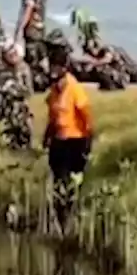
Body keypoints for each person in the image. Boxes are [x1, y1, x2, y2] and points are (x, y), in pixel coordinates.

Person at [43, 47, 93, 231]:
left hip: (75, 140)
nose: (53, 70)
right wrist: (47, 136)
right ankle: (60, 221)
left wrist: (88, 141)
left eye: (57, 67)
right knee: (58, 182)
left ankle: (71, 219)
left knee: (71, 183)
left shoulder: (75, 89)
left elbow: (87, 117)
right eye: (52, 66)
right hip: (58, 140)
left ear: (65, 67)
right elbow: (53, 116)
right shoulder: (54, 90)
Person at [0, 40, 34, 149]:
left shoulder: (24, 68)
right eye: (9, 54)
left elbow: (29, 92)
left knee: (23, 136)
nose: (12, 57)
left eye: (14, 54)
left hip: (19, 109)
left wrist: (13, 87)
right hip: (2, 109)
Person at [15, 0, 50, 89]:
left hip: (31, 31)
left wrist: (20, 28)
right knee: (40, 59)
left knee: (32, 60)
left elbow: (27, 11)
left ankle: (35, 85)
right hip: (40, 31)